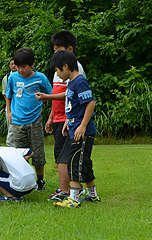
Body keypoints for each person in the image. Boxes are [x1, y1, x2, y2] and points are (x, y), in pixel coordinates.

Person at [37, 50, 100, 208]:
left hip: (82, 132)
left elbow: (90, 103)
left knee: (74, 163)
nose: (57, 74)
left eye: (58, 70)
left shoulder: (80, 81)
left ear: (66, 66)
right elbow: (73, 105)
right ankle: (93, 195)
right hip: (73, 128)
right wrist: (68, 122)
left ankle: (73, 198)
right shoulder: (71, 83)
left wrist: (82, 125)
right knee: (84, 163)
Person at [44, 30, 87, 200]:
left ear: (69, 49)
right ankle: (71, 187)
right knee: (59, 155)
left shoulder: (75, 68)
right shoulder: (58, 69)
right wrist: (51, 117)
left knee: (64, 156)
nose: (55, 54)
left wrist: (47, 97)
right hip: (59, 118)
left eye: (58, 51)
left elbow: (72, 94)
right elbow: (59, 94)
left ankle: (66, 190)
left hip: (69, 119)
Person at [5, 48, 52, 190]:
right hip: (16, 122)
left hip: (35, 121)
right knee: (16, 153)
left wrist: (49, 116)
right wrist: (9, 112)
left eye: (24, 67)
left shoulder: (41, 78)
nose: (20, 70)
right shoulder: (12, 77)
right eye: (18, 67)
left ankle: (40, 181)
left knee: (37, 152)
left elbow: (52, 96)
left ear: (31, 65)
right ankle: (19, 180)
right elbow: (8, 95)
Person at [1, 58, 17, 147]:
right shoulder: (6, 78)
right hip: (10, 107)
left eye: (15, 64)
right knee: (11, 129)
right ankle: (10, 147)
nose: (13, 66)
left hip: (21, 107)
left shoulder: (23, 76)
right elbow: (5, 93)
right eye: (12, 64)